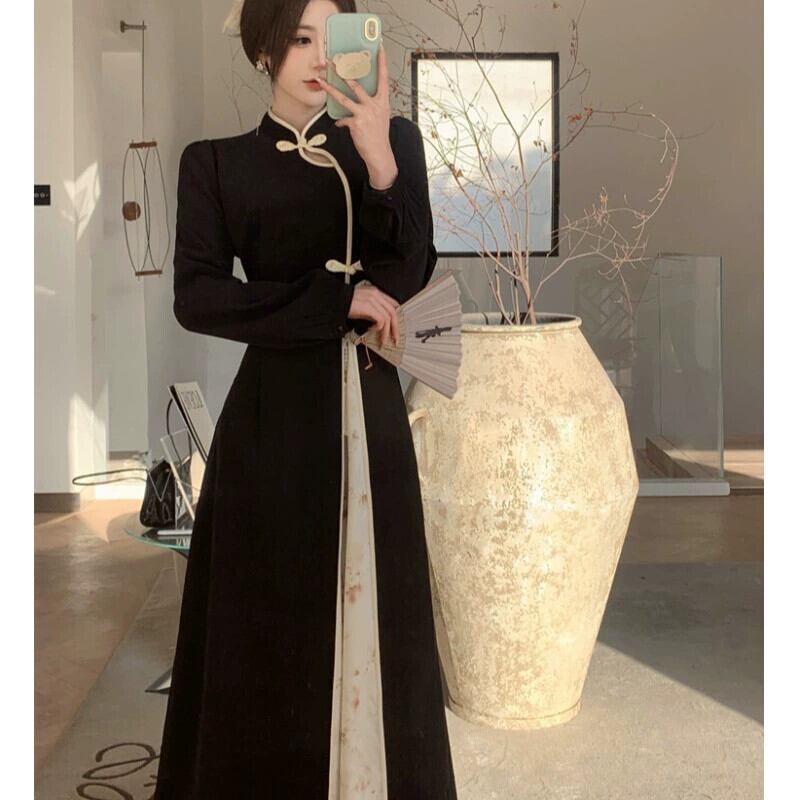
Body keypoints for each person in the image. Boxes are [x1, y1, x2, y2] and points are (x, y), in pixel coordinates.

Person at [152, 0, 458, 796]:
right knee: (269, 618)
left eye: (334, 37)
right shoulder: (214, 164)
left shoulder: (394, 143)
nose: (321, 56)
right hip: (273, 422)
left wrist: (379, 158)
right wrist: (332, 303)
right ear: (262, 50)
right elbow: (199, 297)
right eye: (299, 38)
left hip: (372, 413)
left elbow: (410, 274)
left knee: (382, 604)